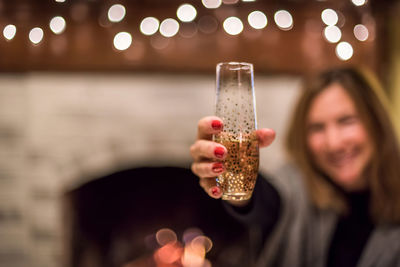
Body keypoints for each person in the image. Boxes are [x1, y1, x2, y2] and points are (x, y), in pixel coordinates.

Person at [190, 67, 400, 267]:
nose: (333, 143)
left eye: (346, 121)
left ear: (376, 122)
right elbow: (266, 201)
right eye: (317, 128)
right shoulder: (294, 185)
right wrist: (236, 180)